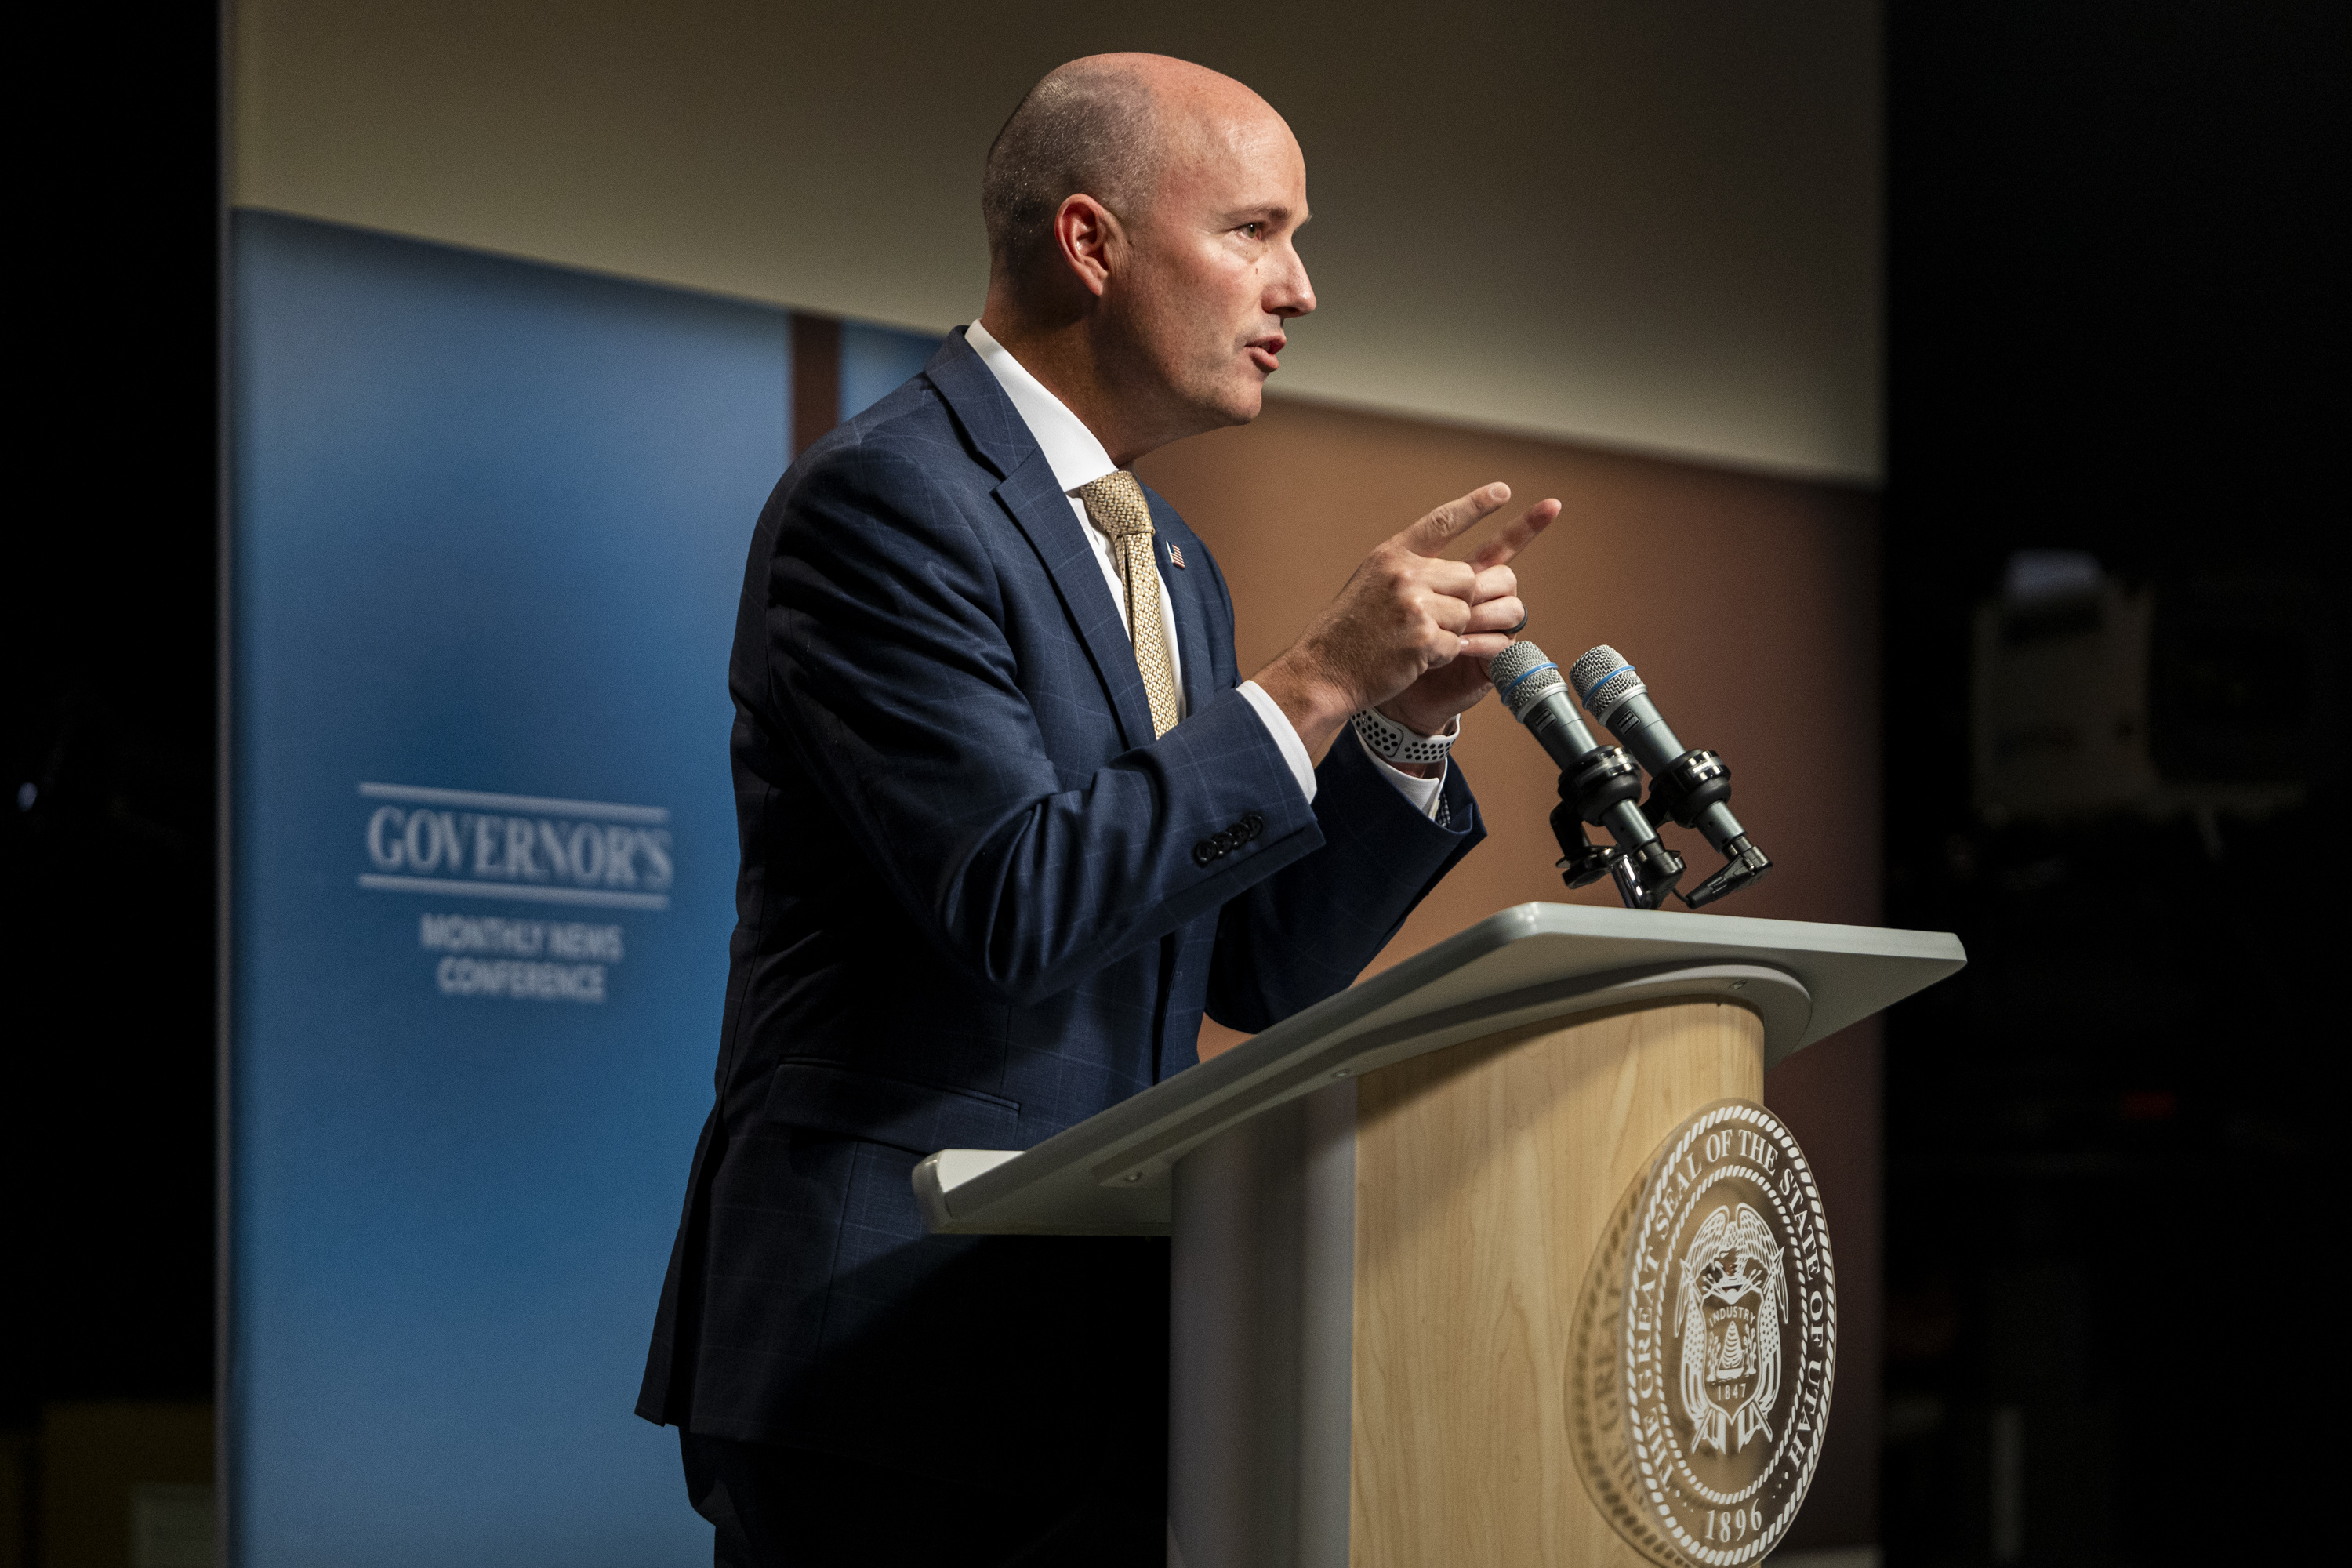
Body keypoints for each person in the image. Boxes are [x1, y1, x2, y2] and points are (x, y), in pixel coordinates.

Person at [637, 53, 1559, 1565]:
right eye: (1258, 231)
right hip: (882, 1367)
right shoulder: (883, 503)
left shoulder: (1169, 559)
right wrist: (1320, 680)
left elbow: (1251, 970)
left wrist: (1393, 730)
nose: (1302, 288)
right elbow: (1018, 897)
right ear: (1091, 243)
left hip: (1113, 1376)